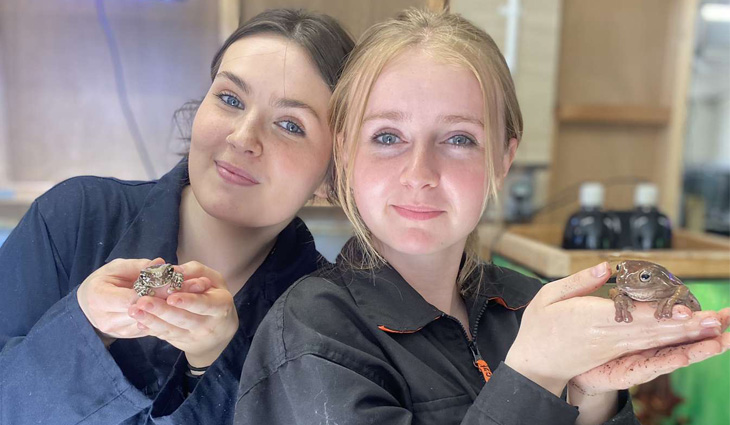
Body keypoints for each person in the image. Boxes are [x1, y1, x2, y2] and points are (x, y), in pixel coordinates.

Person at [234, 9, 730, 425]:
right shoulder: (311, 333)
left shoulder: (530, 308)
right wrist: (535, 375)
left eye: (459, 139)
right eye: (387, 136)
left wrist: (589, 394)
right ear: (344, 148)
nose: (419, 173)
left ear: (503, 158)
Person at [0, 9, 353, 425]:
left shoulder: (330, 315)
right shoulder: (75, 218)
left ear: (331, 175)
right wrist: (84, 330)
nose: (242, 138)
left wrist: (210, 367)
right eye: (230, 99)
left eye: (291, 126)